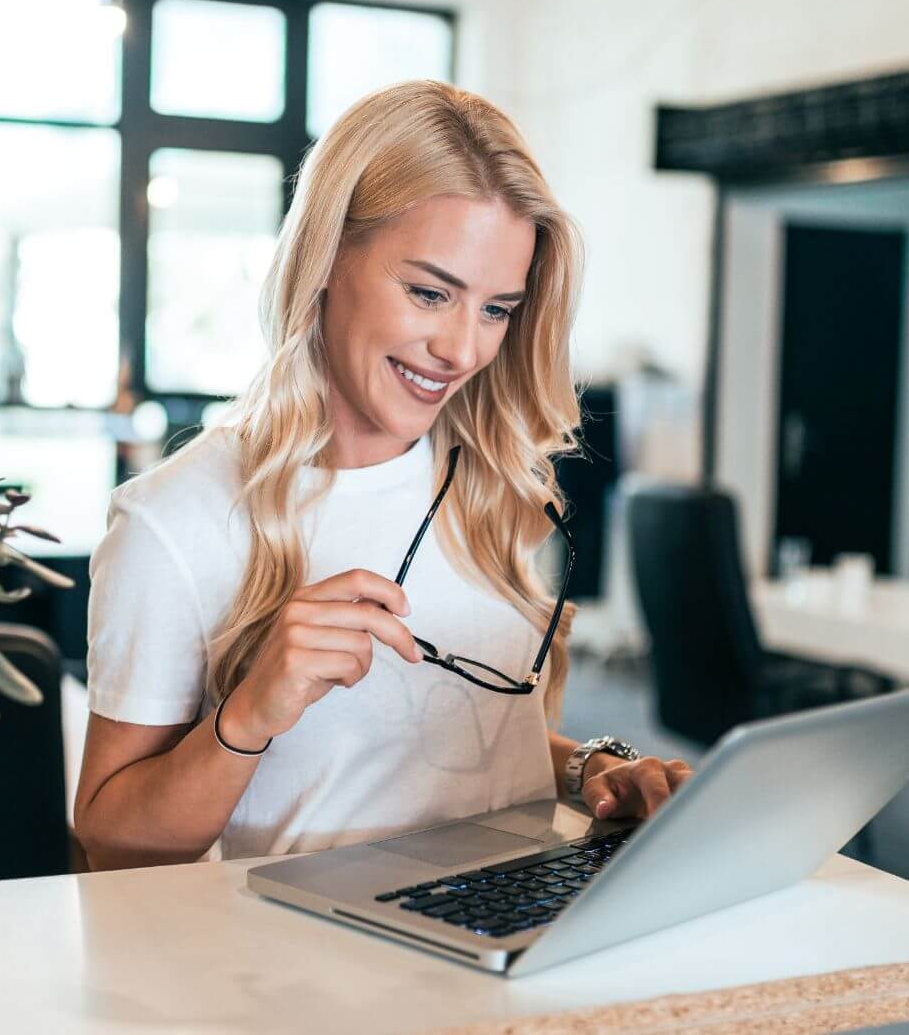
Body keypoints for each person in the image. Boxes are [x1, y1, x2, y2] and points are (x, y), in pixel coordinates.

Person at [73, 81, 691, 871]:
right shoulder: (176, 521)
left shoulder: (486, 481)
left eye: (497, 309)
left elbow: (463, 738)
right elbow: (113, 838)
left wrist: (589, 770)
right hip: (315, 972)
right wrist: (253, 708)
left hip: (507, 936)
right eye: (430, 293)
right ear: (327, 257)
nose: (463, 351)